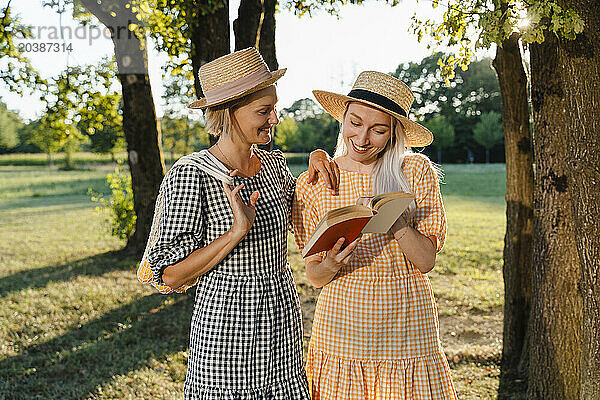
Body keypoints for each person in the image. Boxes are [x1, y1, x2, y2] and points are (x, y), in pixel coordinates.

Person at [142, 48, 339, 400]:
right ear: (228, 114)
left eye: (274, 108)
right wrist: (236, 232)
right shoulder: (191, 175)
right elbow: (169, 275)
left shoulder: (274, 164)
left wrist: (318, 155)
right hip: (227, 334)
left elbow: (306, 208)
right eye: (264, 111)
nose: (275, 118)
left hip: (282, 324)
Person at [292, 71, 458, 399]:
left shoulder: (415, 171)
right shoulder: (315, 181)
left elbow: (425, 261)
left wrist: (394, 220)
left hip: (406, 327)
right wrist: (334, 263)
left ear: (394, 133)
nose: (363, 138)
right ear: (342, 118)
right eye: (355, 122)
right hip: (342, 330)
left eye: (378, 130)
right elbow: (314, 275)